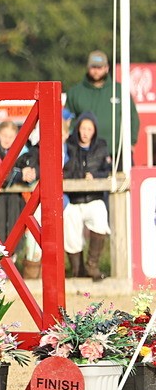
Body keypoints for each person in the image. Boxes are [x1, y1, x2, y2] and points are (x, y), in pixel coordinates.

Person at [66, 49, 139, 171]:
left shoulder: (119, 91)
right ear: (88, 67)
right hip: (86, 155)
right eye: (93, 67)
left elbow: (133, 118)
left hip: (118, 153)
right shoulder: (75, 92)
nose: (96, 71)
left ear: (107, 68)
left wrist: (131, 143)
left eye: (99, 67)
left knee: (125, 182)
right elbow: (68, 122)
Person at [63, 112, 112, 281]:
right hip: (73, 198)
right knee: (71, 233)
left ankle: (93, 265)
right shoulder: (69, 145)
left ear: (94, 131)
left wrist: (94, 176)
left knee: (100, 220)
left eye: (89, 129)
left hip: (93, 197)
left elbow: (107, 170)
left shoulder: (101, 147)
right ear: (78, 129)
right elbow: (66, 168)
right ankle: (78, 271)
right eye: (83, 128)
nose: (85, 132)